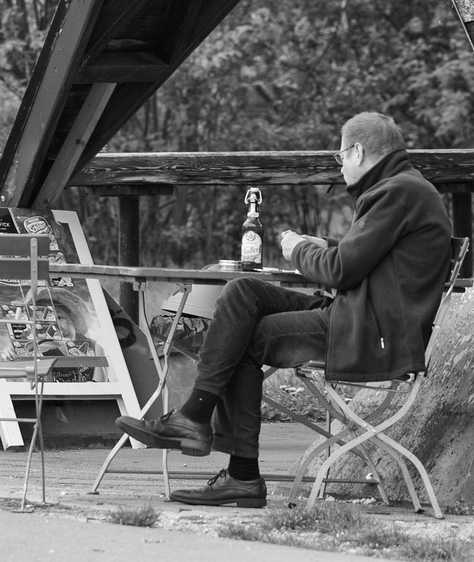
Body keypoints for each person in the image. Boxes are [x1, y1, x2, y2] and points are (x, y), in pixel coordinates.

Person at [114, 111, 452, 508]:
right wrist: (324, 242)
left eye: (340, 156)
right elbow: (369, 256)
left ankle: (231, 462)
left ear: (358, 151)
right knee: (244, 293)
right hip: (361, 316)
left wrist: (299, 249)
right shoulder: (405, 188)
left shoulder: (397, 192)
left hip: (368, 332)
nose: (340, 166)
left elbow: (341, 270)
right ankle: (196, 420)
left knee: (240, 340)